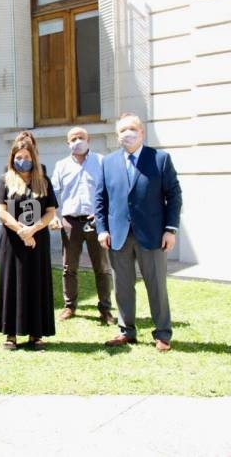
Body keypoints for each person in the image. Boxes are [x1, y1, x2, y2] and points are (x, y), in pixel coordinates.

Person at [95, 113, 182, 352]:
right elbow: (100, 199)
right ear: (117, 136)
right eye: (122, 130)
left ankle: (162, 333)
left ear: (142, 132)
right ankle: (126, 331)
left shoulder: (160, 159)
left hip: (153, 234)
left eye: (132, 129)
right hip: (118, 235)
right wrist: (102, 229)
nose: (127, 134)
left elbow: (173, 195)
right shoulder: (108, 162)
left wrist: (170, 230)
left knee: (156, 285)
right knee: (122, 286)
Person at [0, 139, 58, 350]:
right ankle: (10, 334)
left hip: (38, 239)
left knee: (36, 281)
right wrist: (22, 230)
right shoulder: (5, 180)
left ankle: (36, 333)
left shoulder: (43, 180)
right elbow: (1, 211)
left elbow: (51, 212)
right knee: (12, 282)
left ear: (34, 158)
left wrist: (33, 229)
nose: (23, 161)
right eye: (19, 157)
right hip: (13, 240)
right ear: (13, 158)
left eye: (27, 157)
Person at [49, 127, 115, 325]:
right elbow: (52, 193)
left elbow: (111, 190)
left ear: (89, 140)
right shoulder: (61, 165)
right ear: (67, 143)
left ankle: (105, 309)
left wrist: (104, 213)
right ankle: (70, 306)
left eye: (81, 138)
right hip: (70, 222)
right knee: (69, 267)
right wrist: (53, 215)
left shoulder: (102, 161)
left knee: (102, 267)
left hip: (96, 221)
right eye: (73, 139)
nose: (77, 141)